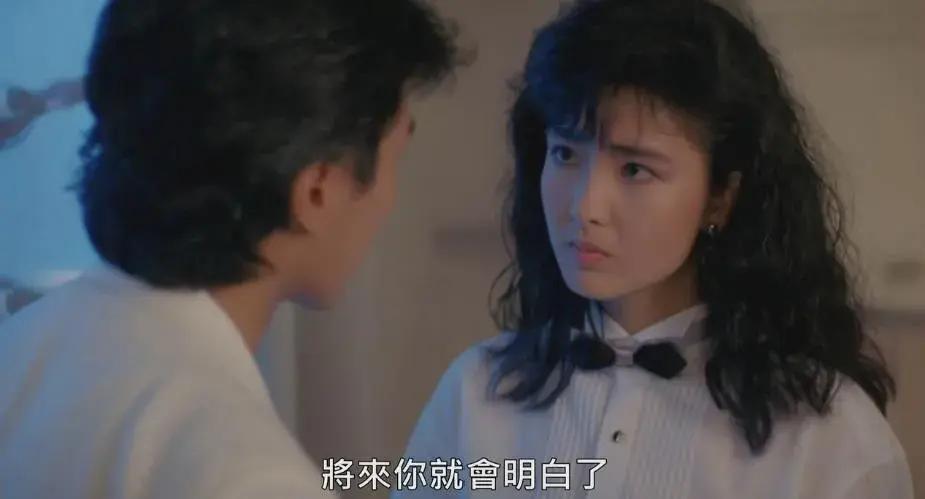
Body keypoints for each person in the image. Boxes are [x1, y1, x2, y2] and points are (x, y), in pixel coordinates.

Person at [395, 1, 914, 498]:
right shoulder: (476, 392)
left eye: (634, 169)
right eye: (565, 154)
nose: (585, 207)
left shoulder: (828, 438)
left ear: (720, 196)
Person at [0, 0, 458, 497]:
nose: (390, 198)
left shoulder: (22, 348)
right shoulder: (251, 476)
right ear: (317, 192)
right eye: (396, 157)